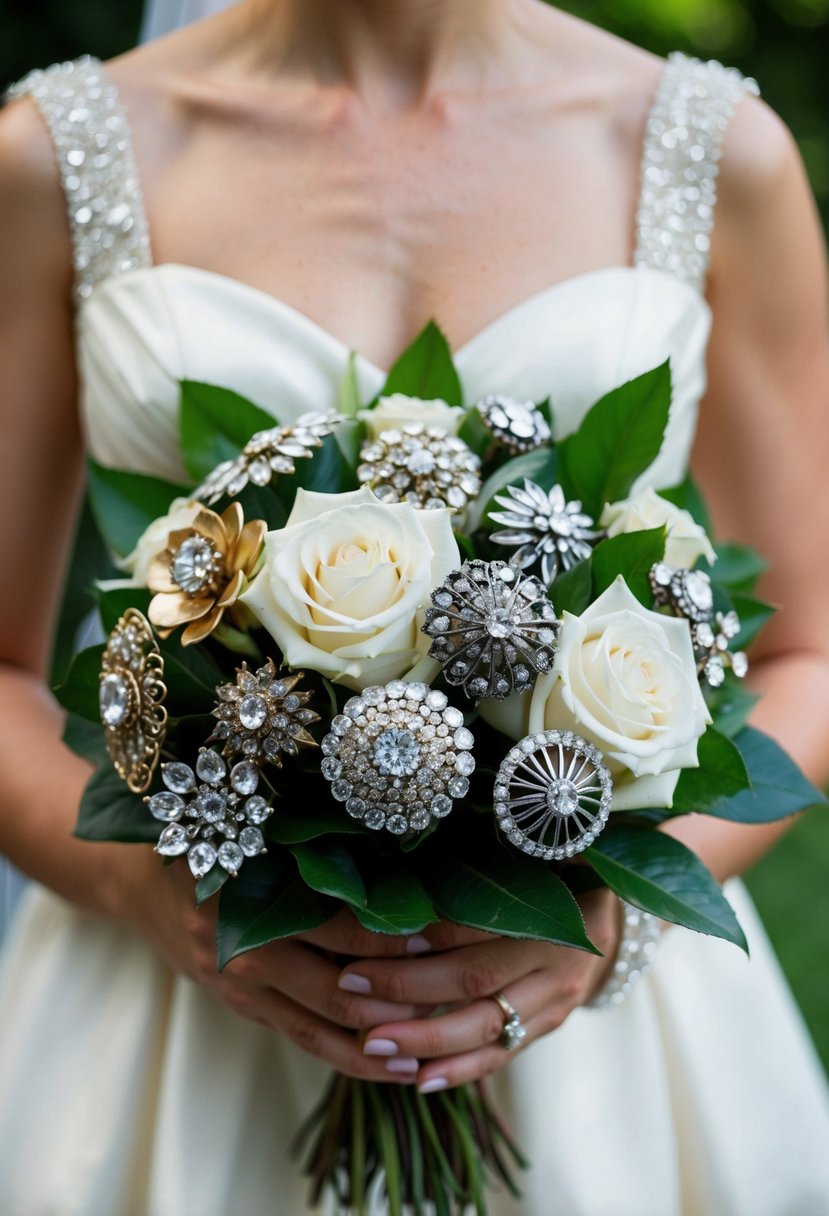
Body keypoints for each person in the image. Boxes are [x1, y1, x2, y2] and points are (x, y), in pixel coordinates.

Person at [1, 1, 829, 1212]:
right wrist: (159, 897)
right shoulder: (54, 155)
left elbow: (809, 649)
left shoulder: (710, 147)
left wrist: (602, 931)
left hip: (595, 1046)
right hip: (182, 1007)